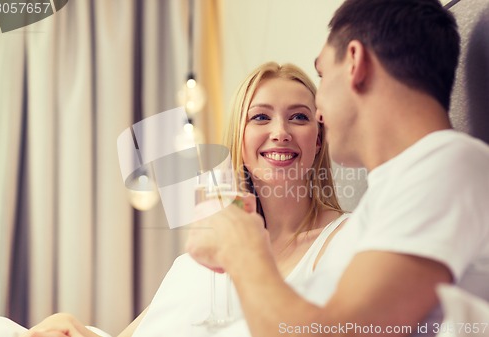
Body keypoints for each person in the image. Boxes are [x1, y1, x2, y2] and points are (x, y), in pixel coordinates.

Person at [185, 0, 489, 336]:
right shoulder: (379, 211)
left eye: (322, 74)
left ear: (355, 63)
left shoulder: (447, 165)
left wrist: (240, 245)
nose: (318, 114)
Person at [21, 62, 347, 337]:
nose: (281, 132)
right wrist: (76, 330)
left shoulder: (346, 240)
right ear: (239, 138)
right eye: (260, 117)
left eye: (299, 117)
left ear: (318, 140)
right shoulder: (206, 253)